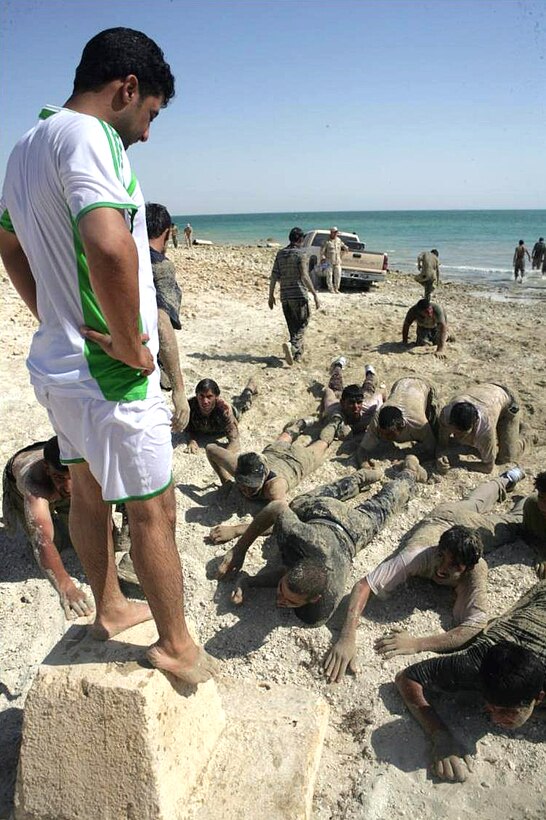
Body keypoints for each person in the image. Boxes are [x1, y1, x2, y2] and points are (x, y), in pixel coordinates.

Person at [0, 27, 217, 684]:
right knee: (155, 507)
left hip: (60, 366)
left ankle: (111, 607)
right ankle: (177, 646)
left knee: (88, 490)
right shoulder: (89, 138)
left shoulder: (25, 146)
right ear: (126, 89)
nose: (147, 133)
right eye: (149, 113)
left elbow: (9, 245)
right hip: (111, 372)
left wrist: (51, 314)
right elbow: (112, 245)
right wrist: (130, 344)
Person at [324, 467, 527, 682]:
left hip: (469, 525)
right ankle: (505, 479)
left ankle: (521, 497)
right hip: (443, 516)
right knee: (474, 503)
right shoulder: (419, 554)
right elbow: (363, 586)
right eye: (441, 558)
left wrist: (417, 644)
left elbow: (474, 627)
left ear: (467, 568)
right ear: (437, 551)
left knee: (510, 525)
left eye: (454, 566)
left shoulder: (477, 569)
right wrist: (347, 636)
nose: (442, 569)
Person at [224, 456, 429, 626]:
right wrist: (240, 550)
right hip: (328, 520)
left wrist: (250, 581)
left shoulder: (321, 609)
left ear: (315, 598)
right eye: (281, 590)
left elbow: (283, 572)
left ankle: (409, 473)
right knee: (304, 502)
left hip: (351, 530)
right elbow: (276, 508)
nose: (279, 599)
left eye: (289, 600)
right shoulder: (300, 535)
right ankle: (360, 478)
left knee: (387, 502)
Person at [396, 581, 546, 782]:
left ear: (539, 697)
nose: (496, 720)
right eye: (492, 708)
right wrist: (439, 735)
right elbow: (408, 677)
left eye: (508, 711)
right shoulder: (477, 663)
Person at [207, 414, 344, 560]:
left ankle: (335, 421)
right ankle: (300, 424)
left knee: (322, 443)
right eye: (242, 484)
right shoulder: (238, 466)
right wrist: (225, 480)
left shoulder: (274, 487)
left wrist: (236, 530)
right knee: (285, 436)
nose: (246, 490)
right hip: (274, 451)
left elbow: (279, 521)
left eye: (252, 487)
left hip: (298, 460)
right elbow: (210, 449)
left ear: (264, 479)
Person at [2, 437, 93, 619]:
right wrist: (65, 585)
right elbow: (42, 540)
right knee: (53, 543)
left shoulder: (84, 466)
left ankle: (61, 513)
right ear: (47, 469)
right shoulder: (35, 484)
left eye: (71, 478)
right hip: (27, 479)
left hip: (61, 463)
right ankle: (49, 517)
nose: (67, 487)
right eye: (60, 478)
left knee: (85, 534)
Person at [145, 202, 189, 432]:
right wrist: (178, 390)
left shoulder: (126, 256)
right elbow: (161, 321)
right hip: (145, 362)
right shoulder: (160, 266)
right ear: (167, 232)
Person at [436, 383, 528, 475]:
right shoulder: (446, 415)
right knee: (462, 443)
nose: (457, 436)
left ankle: (527, 437)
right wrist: (440, 456)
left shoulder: (485, 430)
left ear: (474, 425)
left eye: (462, 434)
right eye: (454, 431)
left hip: (507, 403)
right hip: (485, 391)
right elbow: (442, 444)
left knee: (506, 458)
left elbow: (488, 467)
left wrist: (457, 463)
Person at [356, 377, 439, 465]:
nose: (385, 437)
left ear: (402, 426)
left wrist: (407, 461)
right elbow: (362, 450)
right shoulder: (378, 419)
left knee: (436, 430)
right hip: (400, 383)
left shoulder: (419, 423)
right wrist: (364, 465)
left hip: (423, 383)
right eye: (382, 433)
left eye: (389, 434)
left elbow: (432, 450)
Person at [268, 226, 320, 365]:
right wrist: (314, 294)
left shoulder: (280, 254)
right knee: (304, 322)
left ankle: (297, 354)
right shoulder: (301, 254)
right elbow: (304, 275)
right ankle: (293, 347)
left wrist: (270, 295)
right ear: (301, 239)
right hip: (299, 294)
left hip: (285, 295)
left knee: (292, 326)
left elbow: (274, 276)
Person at [185, 376, 258, 454]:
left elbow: (234, 441)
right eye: (201, 396)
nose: (205, 401)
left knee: (242, 403)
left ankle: (250, 387)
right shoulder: (190, 406)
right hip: (208, 428)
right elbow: (187, 428)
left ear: (216, 397)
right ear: (196, 395)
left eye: (209, 397)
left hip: (226, 422)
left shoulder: (223, 410)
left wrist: (225, 456)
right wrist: (192, 441)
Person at [322, 357, 386, 440]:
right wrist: (321, 416)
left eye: (358, 403)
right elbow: (328, 391)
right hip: (339, 397)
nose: (356, 407)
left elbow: (382, 392)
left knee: (369, 385)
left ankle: (370, 372)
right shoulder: (332, 408)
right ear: (342, 403)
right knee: (335, 382)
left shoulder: (371, 407)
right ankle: (338, 365)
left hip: (365, 399)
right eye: (351, 403)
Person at [320, 226, 348, 293]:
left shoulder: (338, 240)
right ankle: (331, 288)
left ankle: (336, 288)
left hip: (337, 261)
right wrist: (323, 258)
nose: (335, 234)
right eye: (334, 232)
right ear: (331, 232)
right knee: (329, 275)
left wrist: (346, 248)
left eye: (336, 232)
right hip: (328, 261)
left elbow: (343, 246)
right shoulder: (326, 241)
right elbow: (322, 251)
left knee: (338, 275)